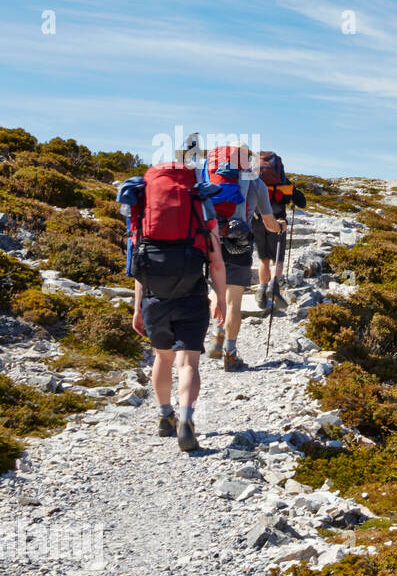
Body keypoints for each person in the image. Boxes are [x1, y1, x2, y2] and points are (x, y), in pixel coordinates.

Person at [122, 160, 228, 453]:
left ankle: (164, 415)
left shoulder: (144, 208)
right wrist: (220, 297)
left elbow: (138, 265)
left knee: (163, 357)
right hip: (192, 295)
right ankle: (187, 420)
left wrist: (138, 307)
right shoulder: (199, 205)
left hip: (154, 297)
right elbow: (216, 262)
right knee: (188, 362)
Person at [204, 145, 283, 370]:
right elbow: (269, 223)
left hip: (212, 239)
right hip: (239, 240)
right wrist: (280, 227)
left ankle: (217, 334)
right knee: (234, 301)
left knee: (216, 291)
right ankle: (230, 352)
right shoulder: (254, 181)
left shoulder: (210, 175)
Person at [250, 151, 295, 311]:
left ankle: (262, 290)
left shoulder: (253, 179)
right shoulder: (283, 181)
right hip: (279, 222)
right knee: (278, 259)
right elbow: (300, 201)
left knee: (263, 259)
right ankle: (274, 285)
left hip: (257, 220)